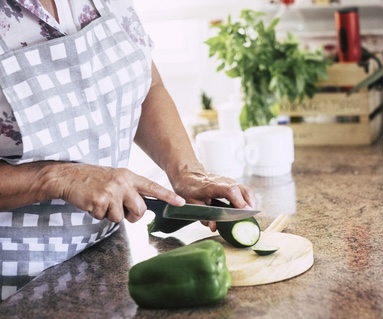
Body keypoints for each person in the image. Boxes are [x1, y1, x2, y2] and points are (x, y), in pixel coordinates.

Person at [0, 0, 256, 301]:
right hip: (17, 288)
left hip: (104, 258)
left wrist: (187, 170)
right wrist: (57, 177)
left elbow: (148, 85)